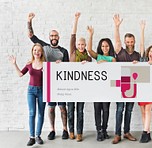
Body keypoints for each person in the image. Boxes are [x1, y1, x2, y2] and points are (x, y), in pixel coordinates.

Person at [27, 12, 69, 140]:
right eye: (52, 35)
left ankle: (65, 129)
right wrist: (29, 21)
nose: (54, 37)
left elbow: (68, 68)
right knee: (51, 109)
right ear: (49, 37)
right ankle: (52, 130)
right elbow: (31, 35)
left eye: (56, 35)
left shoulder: (64, 51)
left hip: (61, 84)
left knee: (62, 108)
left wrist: (61, 64)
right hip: (48, 84)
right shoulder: (44, 47)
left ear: (59, 37)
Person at [9, 44, 46, 146]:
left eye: (39, 50)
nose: (37, 52)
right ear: (32, 51)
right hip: (31, 91)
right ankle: (32, 137)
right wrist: (14, 64)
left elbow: (52, 76)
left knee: (41, 113)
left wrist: (54, 66)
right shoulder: (29, 64)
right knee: (32, 113)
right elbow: (20, 74)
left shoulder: (46, 64)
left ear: (41, 52)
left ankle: (38, 135)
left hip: (42, 90)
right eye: (35, 50)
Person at [112, 14, 139, 144]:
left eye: (131, 41)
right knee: (120, 109)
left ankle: (126, 132)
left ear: (134, 42)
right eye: (127, 41)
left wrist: (137, 64)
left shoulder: (137, 55)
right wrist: (117, 27)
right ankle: (117, 134)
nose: (129, 43)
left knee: (129, 110)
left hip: (133, 86)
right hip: (121, 86)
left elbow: (141, 71)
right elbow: (116, 41)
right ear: (125, 42)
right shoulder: (120, 51)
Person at [87, 26, 116, 141]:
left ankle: (104, 130)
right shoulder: (97, 56)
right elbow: (89, 50)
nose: (104, 48)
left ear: (110, 47)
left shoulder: (112, 58)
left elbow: (114, 67)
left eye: (107, 46)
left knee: (106, 109)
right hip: (97, 88)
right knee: (97, 109)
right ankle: (98, 130)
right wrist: (91, 34)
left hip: (107, 88)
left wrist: (103, 62)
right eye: (103, 46)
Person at [68, 12, 92, 142]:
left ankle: (79, 133)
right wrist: (76, 20)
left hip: (82, 89)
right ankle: (71, 130)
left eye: (83, 45)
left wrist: (87, 64)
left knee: (80, 111)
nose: (81, 46)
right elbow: (73, 35)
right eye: (79, 44)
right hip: (71, 87)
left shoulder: (88, 57)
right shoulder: (72, 52)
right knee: (70, 110)